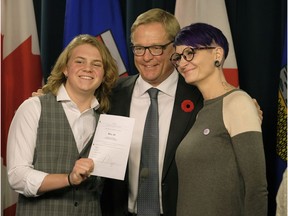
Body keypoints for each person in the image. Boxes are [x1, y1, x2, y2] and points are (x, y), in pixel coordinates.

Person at [100, 8, 204, 216]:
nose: (146, 57)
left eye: (156, 48)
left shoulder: (200, 97)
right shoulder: (111, 95)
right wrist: (44, 98)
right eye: (139, 48)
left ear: (174, 48)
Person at [7, 34, 118, 216]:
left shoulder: (106, 122)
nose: (88, 69)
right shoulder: (33, 108)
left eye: (96, 64)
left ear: (104, 73)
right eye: (80, 61)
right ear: (65, 69)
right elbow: (17, 176)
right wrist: (68, 179)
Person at [170, 22, 268, 215]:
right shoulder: (201, 111)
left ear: (217, 54)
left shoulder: (238, 103)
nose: (182, 63)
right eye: (178, 57)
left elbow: (256, 188)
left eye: (190, 53)